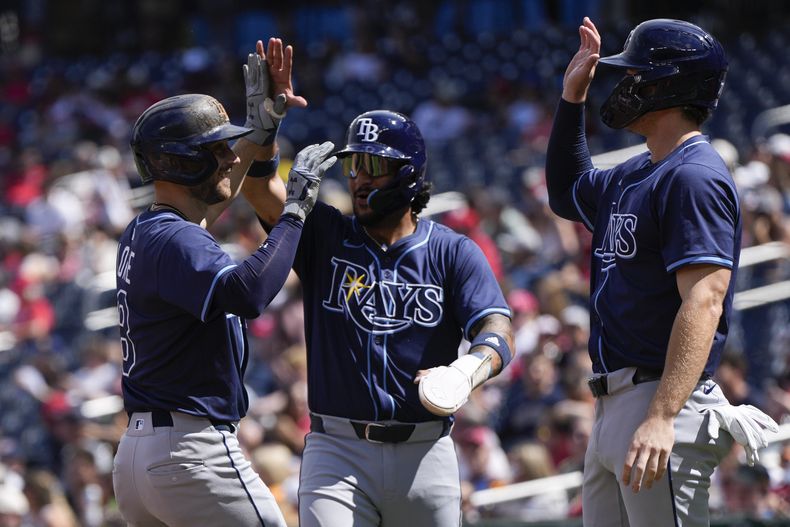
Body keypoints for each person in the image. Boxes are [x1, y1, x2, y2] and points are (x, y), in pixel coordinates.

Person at [242, 41, 514, 527]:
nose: (360, 179)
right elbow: (260, 189)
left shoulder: (452, 251)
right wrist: (265, 128)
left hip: (425, 449)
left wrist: (469, 369)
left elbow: (497, 327)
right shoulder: (325, 235)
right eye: (354, 165)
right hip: (336, 450)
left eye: (375, 166)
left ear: (409, 176)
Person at [545, 17, 778, 525]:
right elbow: (565, 193)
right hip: (613, 401)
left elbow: (705, 300)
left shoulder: (693, 175)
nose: (626, 85)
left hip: (658, 398)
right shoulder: (638, 170)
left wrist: (662, 415)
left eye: (636, 76)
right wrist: (571, 99)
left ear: (669, 85)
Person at [112, 37, 336, 526]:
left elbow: (217, 197)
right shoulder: (173, 238)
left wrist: (262, 129)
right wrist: (294, 211)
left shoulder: (149, 229)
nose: (232, 158)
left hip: (141, 456)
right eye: (216, 149)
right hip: (190, 452)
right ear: (180, 162)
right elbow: (248, 293)